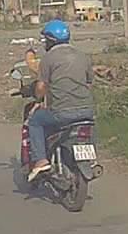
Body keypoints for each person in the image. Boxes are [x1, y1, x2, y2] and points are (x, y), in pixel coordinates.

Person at [27, 19, 94, 182]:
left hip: (62, 113)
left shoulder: (48, 59)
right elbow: (89, 83)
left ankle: (41, 160)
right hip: (87, 111)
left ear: (50, 40)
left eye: (45, 40)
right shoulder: (82, 56)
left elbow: (41, 87)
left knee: (35, 121)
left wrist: (38, 98)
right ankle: (91, 160)